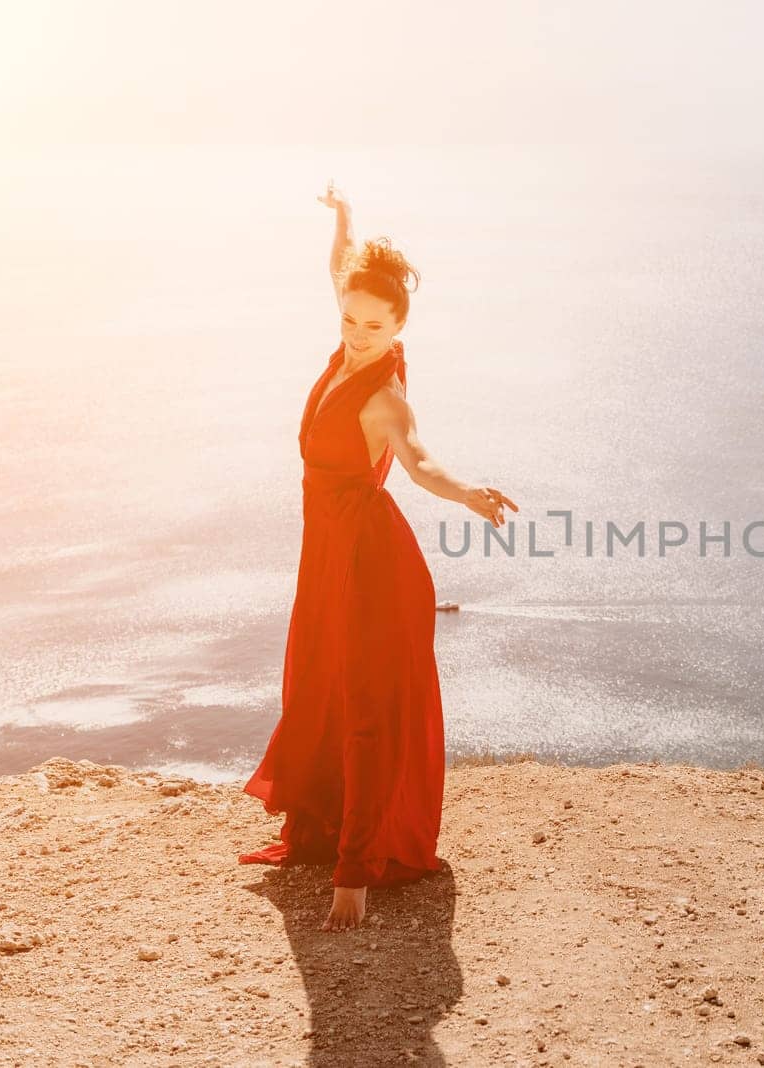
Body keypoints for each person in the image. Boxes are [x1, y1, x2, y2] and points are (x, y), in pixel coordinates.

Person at [238, 181, 518, 933]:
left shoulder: (384, 393)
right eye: (350, 319)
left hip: (368, 559)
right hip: (327, 554)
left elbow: (421, 465)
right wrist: (344, 221)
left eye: (373, 324)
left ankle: (356, 873)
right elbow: (340, 268)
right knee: (319, 687)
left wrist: (470, 495)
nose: (358, 332)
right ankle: (320, 830)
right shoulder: (343, 346)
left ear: (399, 326)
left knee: (361, 704)